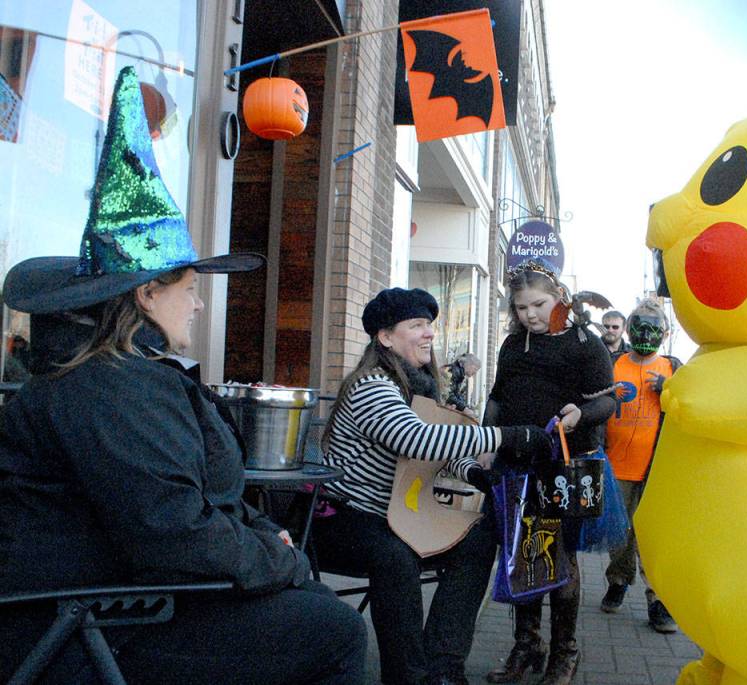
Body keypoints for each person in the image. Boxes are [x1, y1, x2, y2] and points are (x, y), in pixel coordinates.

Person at [0, 66, 366, 685]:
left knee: (312, 610)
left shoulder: (120, 378)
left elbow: (191, 507)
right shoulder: (112, 390)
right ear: (147, 294)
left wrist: (269, 535)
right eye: (191, 288)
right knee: (335, 632)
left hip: (119, 602)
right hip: (85, 627)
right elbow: (171, 533)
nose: (199, 304)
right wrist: (279, 561)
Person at [313, 286, 550, 685]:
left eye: (430, 325)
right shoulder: (372, 385)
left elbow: (434, 451)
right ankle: (407, 677)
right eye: (417, 325)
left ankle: (443, 667)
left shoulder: (416, 386)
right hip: (343, 519)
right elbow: (415, 439)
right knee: (396, 556)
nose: (429, 333)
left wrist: (474, 473)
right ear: (385, 337)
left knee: (479, 537)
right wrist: (507, 437)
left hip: (395, 516)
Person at [485, 265, 616, 685]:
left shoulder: (586, 345)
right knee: (525, 559)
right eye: (521, 308)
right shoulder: (513, 344)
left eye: (539, 304)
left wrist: (581, 413)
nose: (531, 315)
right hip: (519, 464)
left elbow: (608, 403)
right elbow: (497, 399)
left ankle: (565, 654)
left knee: (561, 561)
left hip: (567, 468)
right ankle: (528, 648)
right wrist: (486, 440)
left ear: (559, 296)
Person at [598, 300, 681, 633]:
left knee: (651, 537)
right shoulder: (613, 363)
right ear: (630, 329)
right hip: (615, 464)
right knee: (619, 534)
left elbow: (689, 405)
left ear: (664, 332)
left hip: (655, 469)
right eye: (640, 327)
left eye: (653, 328)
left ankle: (657, 599)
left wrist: (670, 392)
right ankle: (618, 580)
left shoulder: (673, 368)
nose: (646, 334)